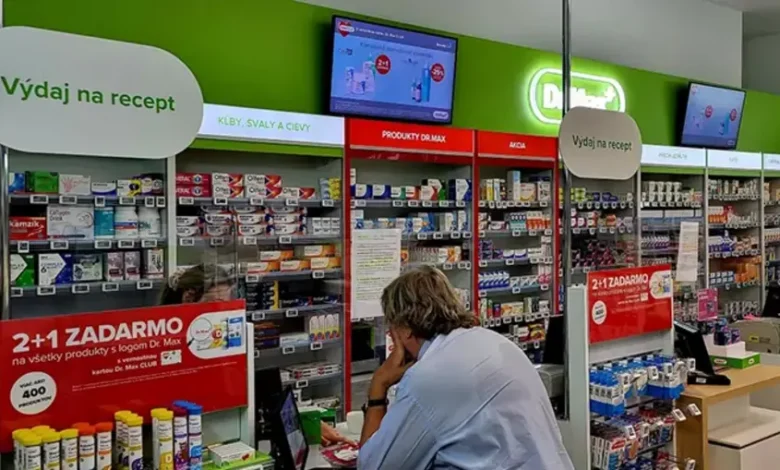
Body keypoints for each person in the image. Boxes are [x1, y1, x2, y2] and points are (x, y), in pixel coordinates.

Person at [358, 266, 574, 470]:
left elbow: (373, 465)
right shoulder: (493, 341)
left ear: (405, 329)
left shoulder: (428, 377)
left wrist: (379, 384)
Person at [160, 264, 352, 447]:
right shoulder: (167, 351)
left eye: (228, 304)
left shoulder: (222, 344)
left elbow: (255, 398)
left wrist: (303, 422)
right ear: (188, 299)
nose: (223, 314)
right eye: (216, 304)